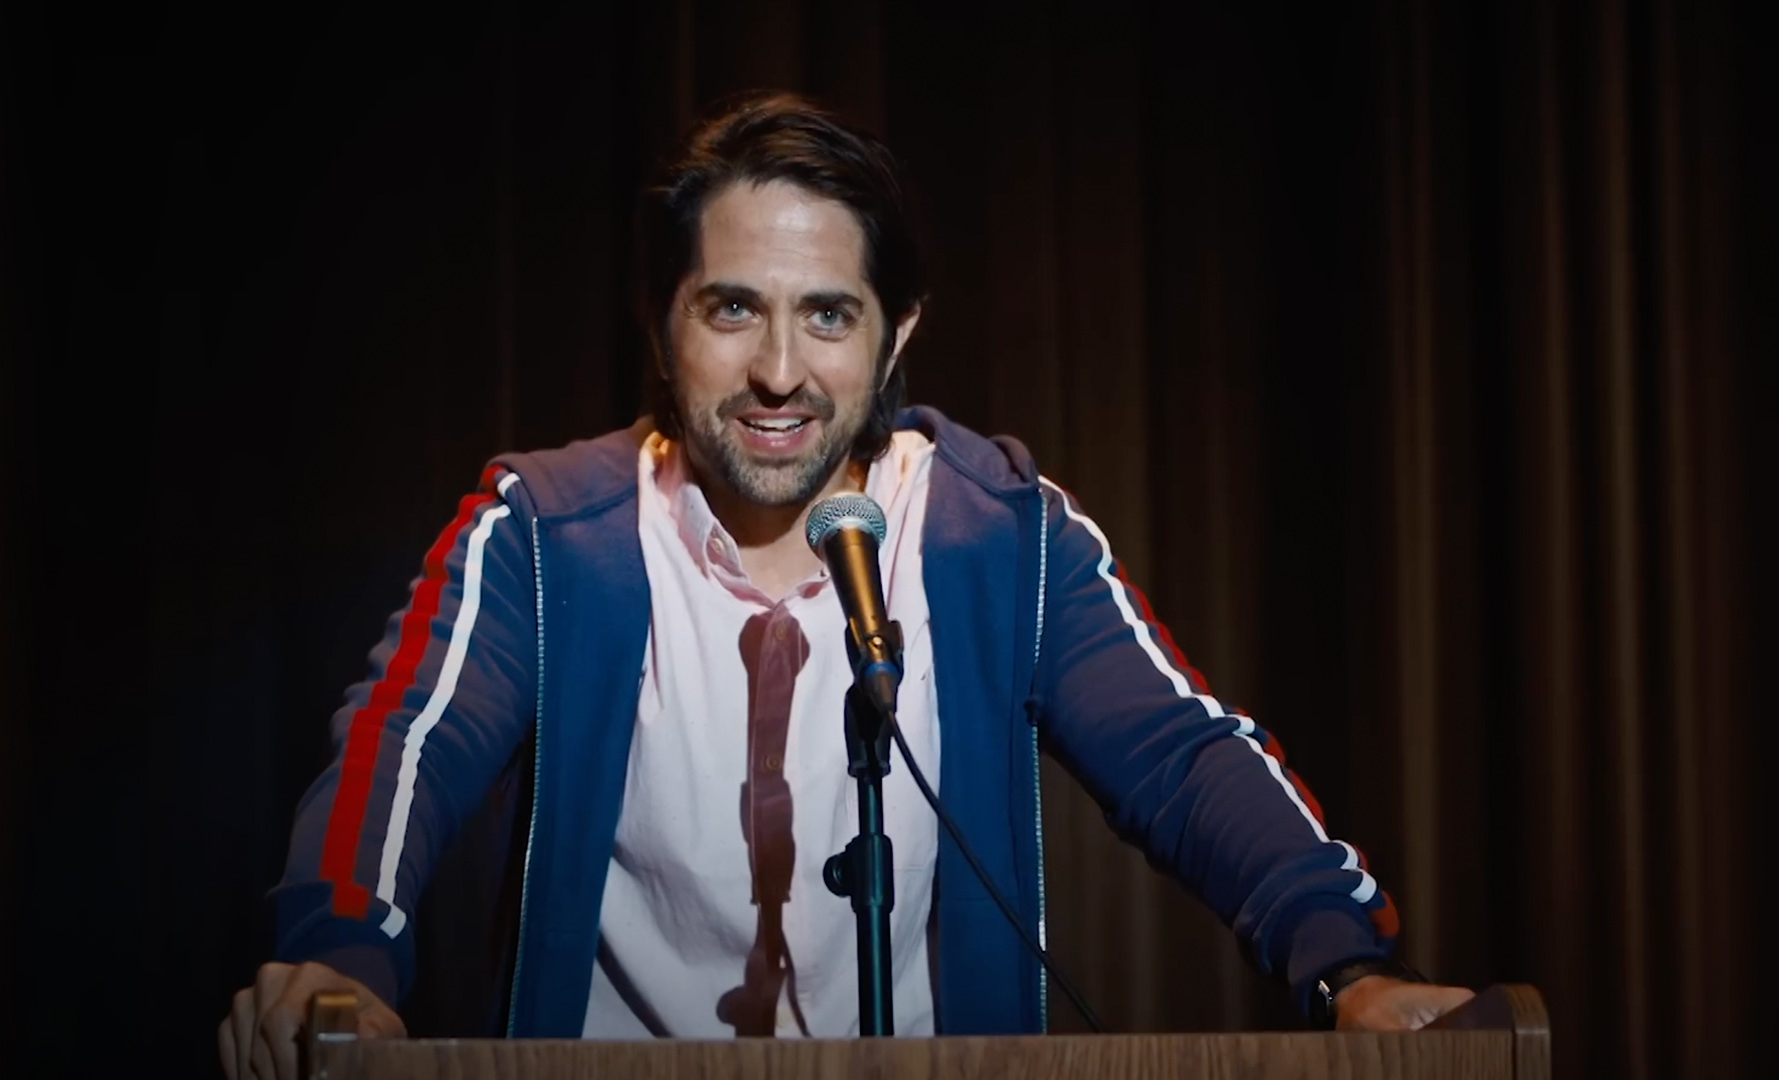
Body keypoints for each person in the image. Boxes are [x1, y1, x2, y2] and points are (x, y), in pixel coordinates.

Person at [217, 90, 1472, 1079]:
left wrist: (1345, 970)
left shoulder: (999, 534)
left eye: (827, 316)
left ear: (896, 331)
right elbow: (404, 745)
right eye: (731, 310)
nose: (779, 371)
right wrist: (342, 961)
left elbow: (1184, 760)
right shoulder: (545, 534)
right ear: (662, 323)